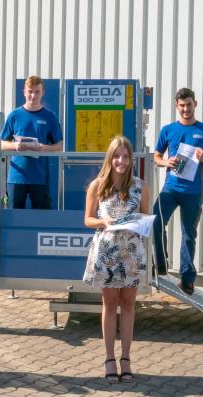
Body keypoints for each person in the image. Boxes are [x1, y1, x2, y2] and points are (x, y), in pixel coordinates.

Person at [83, 136, 149, 383]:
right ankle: (110, 358)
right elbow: (87, 220)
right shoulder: (98, 185)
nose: (121, 161)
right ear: (110, 158)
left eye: (126, 156)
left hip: (131, 252)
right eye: (117, 156)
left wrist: (138, 224)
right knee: (110, 305)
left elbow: (146, 219)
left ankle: (127, 358)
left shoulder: (141, 186)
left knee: (129, 305)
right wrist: (104, 222)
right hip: (107, 254)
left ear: (131, 159)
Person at [151, 88, 203, 295]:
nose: (185, 109)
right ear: (176, 106)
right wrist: (165, 162)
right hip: (171, 189)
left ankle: (187, 279)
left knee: (189, 234)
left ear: (195, 104)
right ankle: (160, 265)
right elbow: (156, 156)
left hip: (193, 191)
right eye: (182, 105)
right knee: (155, 221)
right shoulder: (168, 130)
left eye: (189, 105)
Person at [0, 75, 63, 209]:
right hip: (16, 177)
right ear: (24, 92)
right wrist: (15, 146)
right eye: (30, 91)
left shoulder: (50, 117)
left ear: (42, 93)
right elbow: (2, 144)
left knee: (41, 220)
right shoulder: (14, 115)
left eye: (37, 92)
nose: (33, 96)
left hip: (40, 177)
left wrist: (43, 147)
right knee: (13, 219)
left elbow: (59, 146)